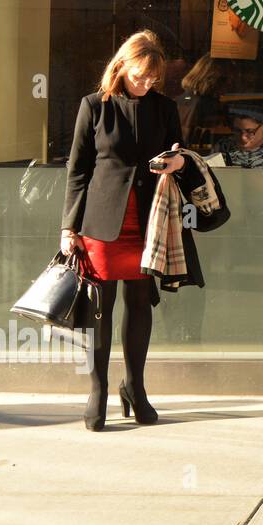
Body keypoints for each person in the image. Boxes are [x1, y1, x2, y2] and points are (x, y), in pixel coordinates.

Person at [60, 29, 203, 431]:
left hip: (147, 220)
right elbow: (78, 170)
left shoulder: (163, 108)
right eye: (140, 75)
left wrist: (179, 164)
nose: (146, 84)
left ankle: (135, 388)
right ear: (122, 66)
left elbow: (182, 157)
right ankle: (98, 389)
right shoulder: (94, 106)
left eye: (153, 78)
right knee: (100, 308)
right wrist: (68, 226)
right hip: (101, 223)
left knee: (140, 303)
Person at [176, 53, 228, 152]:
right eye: (225, 79)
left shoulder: (182, 99)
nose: (229, 84)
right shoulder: (207, 103)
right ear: (214, 79)